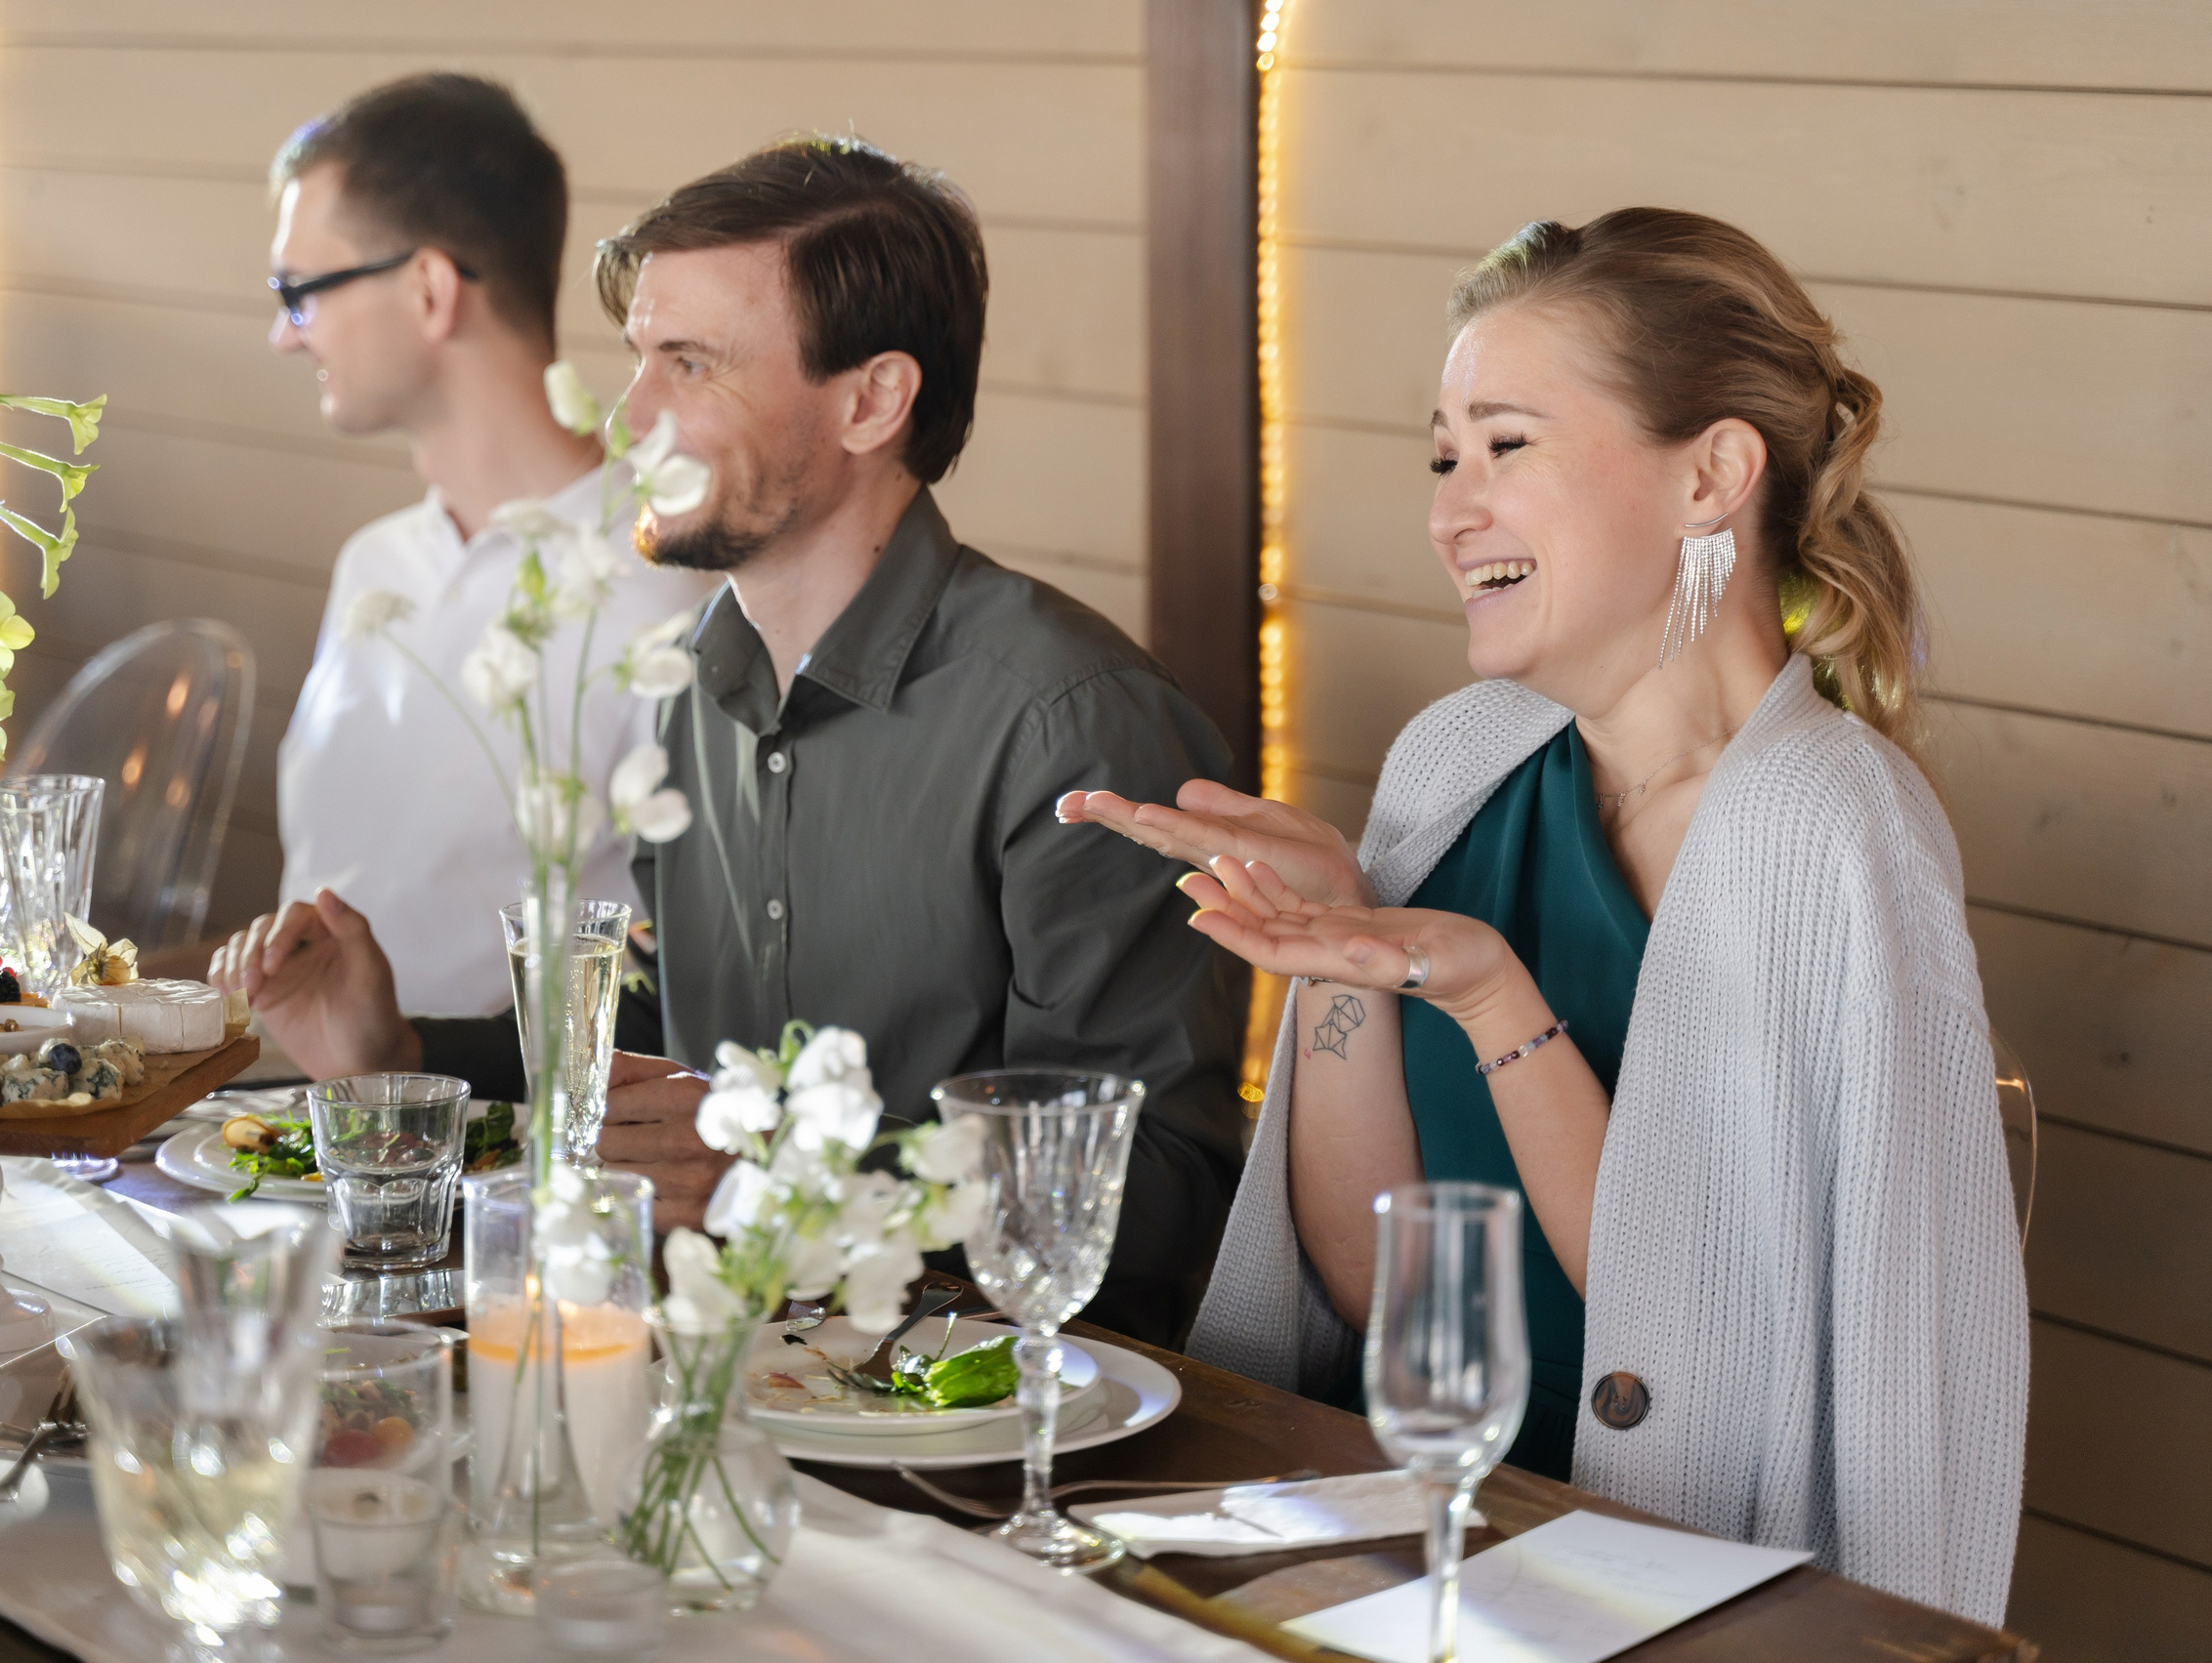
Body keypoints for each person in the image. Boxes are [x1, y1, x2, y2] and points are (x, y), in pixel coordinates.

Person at [1063, 210, 2026, 1620]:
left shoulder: (1835, 832)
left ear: (1711, 475)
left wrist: (1491, 997)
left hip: (1684, 1578)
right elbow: (1374, 1284)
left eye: (1509, 445)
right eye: (1445, 454)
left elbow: (1728, 1350)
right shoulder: (1456, 761)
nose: (1453, 509)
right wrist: (1341, 949)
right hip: (1420, 1532)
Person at [217, 137, 1248, 1346]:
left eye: (691, 366)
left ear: (871, 400)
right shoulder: (690, 683)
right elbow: (674, 1052)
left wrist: (774, 1176)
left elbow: (1166, 1196)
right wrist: (404, 1049)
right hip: (713, 1377)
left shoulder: (1074, 722)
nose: (632, 416)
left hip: (996, 1435)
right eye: (640, 358)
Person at [267, 73, 710, 1016]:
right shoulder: (372, 568)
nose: (283, 334)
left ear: (430, 289)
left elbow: (693, 978)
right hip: (289, 1132)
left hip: (522, 1136)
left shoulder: (665, 587)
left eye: (300, 290)